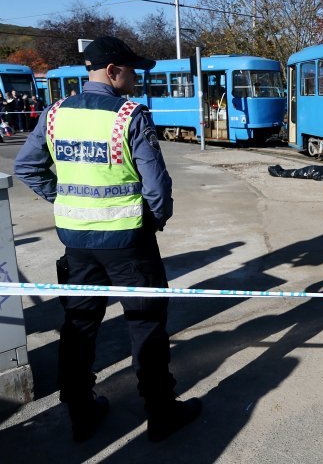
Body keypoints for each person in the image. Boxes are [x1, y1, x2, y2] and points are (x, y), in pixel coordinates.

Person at [14, 36, 201, 442]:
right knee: (147, 325)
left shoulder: (54, 113)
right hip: (129, 244)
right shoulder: (130, 114)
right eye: (132, 69)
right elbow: (157, 187)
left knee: (79, 326)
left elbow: (27, 167)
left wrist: (60, 197)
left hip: (77, 244)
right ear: (112, 70)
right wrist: (155, 219)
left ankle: (80, 412)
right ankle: (160, 412)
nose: (136, 76)